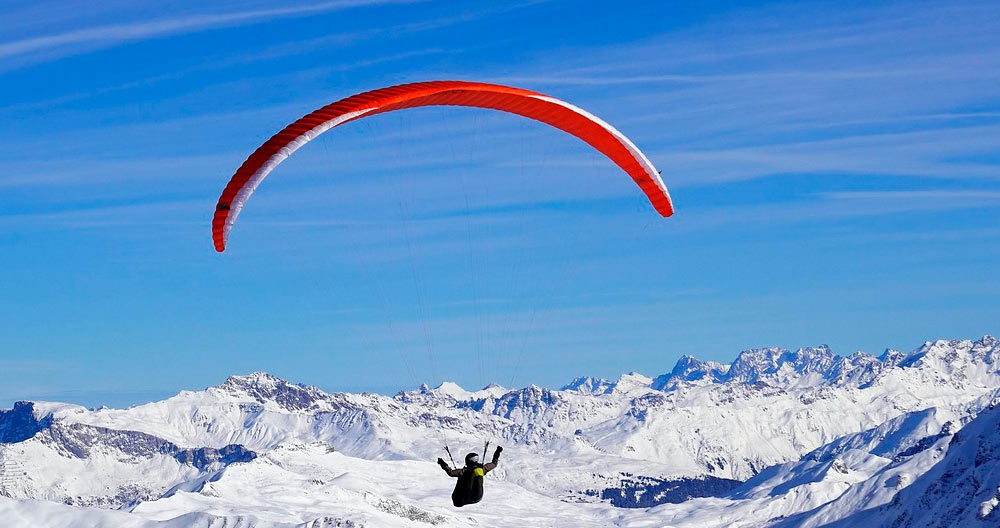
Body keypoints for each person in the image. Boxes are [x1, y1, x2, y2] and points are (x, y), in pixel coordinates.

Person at [437, 446, 502, 507]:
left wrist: (442, 463)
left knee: (456, 496)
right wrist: (498, 451)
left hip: (466, 498)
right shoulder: (482, 469)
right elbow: (494, 464)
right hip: (479, 498)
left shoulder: (464, 471)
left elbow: (451, 473)